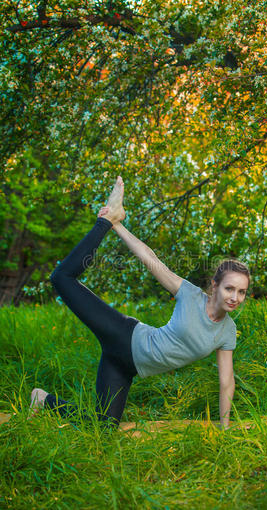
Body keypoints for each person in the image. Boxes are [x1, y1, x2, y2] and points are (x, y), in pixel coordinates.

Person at [30, 176, 250, 430]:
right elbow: (152, 260)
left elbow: (227, 382)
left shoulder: (227, 331)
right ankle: (105, 221)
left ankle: (42, 400)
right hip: (123, 336)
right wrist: (116, 226)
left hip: (125, 366)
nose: (234, 297)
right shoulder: (190, 295)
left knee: (103, 428)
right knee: (61, 278)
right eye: (229, 288)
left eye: (241, 292)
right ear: (215, 285)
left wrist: (225, 427)